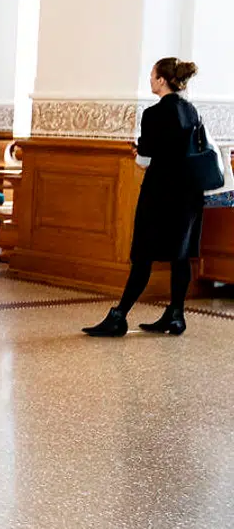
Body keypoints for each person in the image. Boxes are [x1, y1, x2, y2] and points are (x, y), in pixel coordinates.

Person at [83, 58, 207, 338]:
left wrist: (137, 153)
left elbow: (144, 159)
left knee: (143, 255)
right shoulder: (192, 111)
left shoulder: (154, 114)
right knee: (181, 255)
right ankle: (176, 315)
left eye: (152, 76)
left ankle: (119, 315)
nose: (150, 80)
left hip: (161, 192)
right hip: (189, 193)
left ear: (163, 80)